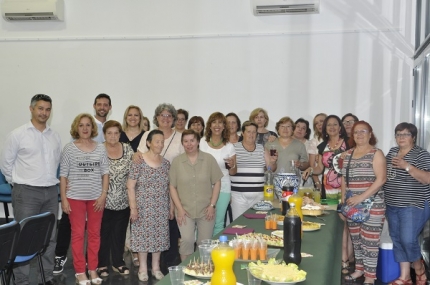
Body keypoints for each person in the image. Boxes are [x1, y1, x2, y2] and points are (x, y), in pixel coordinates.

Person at [0, 94, 61, 285]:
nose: (44, 112)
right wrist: (17, 183)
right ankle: (22, 281)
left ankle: (47, 277)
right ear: (31, 109)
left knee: (50, 238)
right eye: (40, 108)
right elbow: (5, 164)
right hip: (26, 193)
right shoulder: (18, 134)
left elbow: (56, 162)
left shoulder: (54, 136)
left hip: (51, 192)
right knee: (24, 238)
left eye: (48, 109)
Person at [54, 93, 112, 274]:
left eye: (88, 125)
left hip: (96, 199)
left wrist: (103, 195)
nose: (85, 128)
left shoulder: (101, 148)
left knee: (94, 235)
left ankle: (93, 269)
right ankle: (80, 272)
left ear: (93, 127)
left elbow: (105, 173)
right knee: (78, 235)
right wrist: (63, 199)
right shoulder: (69, 148)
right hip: (75, 199)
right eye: (81, 125)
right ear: (76, 128)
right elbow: (63, 176)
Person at [136, 103, 184, 269]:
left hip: (173, 186)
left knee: (170, 225)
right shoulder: (147, 134)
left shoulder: (180, 137)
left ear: (173, 119)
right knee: (148, 227)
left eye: (169, 116)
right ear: (156, 118)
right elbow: (139, 155)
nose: (165, 118)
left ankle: (170, 260)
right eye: (162, 115)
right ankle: (149, 263)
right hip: (149, 189)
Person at [303, 114, 352, 275]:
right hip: (328, 191)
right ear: (325, 129)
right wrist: (311, 170)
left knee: (345, 225)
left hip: (347, 189)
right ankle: (334, 259)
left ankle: (344, 260)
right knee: (332, 225)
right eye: (328, 125)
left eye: (335, 124)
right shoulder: (322, 145)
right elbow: (319, 168)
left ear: (340, 127)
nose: (331, 127)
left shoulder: (349, 143)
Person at [383, 122, 430, 285]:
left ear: (414, 137)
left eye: (405, 134)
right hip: (392, 204)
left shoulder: (421, 154)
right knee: (397, 239)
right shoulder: (392, 152)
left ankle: (419, 269)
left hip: (414, 204)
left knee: (408, 239)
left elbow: (427, 179)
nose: (401, 137)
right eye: (398, 134)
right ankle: (405, 277)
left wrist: (407, 166)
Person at [340, 121, 386, 285]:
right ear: (352, 135)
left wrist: (361, 198)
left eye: (363, 131)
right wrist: (343, 202)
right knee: (357, 240)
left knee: (370, 241)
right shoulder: (348, 154)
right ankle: (359, 269)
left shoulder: (376, 153)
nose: (359, 135)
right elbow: (344, 180)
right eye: (356, 132)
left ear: (370, 133)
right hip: (352, 205)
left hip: (373, 205)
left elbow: (381, 180)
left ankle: (370, 276)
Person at [169, 129, 223, 261]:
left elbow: (217, 182)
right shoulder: (177, 162)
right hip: (184, 211)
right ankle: (186, 270)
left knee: (204, 243)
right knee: (187, 240)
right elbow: (172, 186)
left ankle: (202, 270)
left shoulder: (209, 159)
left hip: (206, 210)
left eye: (192, 140)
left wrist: (212, 205)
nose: (189, 144)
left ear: (198, 142)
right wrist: (179, 209)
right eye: (185, 141)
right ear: (182, 143)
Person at [128, 130, 171, 281]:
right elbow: (131, 186)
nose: (160, 144)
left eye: (162, 141)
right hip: (142, 207)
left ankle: (156, 268)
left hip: (160, 207)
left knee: (158, 238)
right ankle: (142, 269)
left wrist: (170, 207)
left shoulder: (166, 164)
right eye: (157, 141)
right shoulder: (139, 161)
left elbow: (169, 187)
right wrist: (133, 208)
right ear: (148, 143)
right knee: (143, 239)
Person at [97, 120, 134, 277]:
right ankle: (102, 264)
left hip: (123, 200)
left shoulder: (127, 149)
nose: (113, 136)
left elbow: (134, 169)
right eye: (109, 133)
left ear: (120, 134)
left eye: (116, 133)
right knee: (103, 234)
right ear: (104, 134)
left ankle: (118, 262)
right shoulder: (98, 150)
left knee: (119, 234)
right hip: (102, 201)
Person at [230, 121, 277, 220]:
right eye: (248, 132)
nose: (251, 135)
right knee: (239, 225)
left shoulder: (262, 149)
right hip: (238, 196)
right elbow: (229, 170)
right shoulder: (233, 148)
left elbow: (271, 169)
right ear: (242, 133)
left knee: (257, 224)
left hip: (258, 196)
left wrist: (273, 162)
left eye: (254, 132)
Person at [200, 112, 237, 235]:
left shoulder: (229, 146)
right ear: (209, 126)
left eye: (220, 122)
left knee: (219, 222)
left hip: (224, 187)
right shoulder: (202, 143)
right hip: (204, 187)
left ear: (224, 126)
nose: (217, 125)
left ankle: (216, 252)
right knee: (203, 221)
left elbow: (233, 172)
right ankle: (200, 251)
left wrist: (233, 166)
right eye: (214, 122)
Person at [293, 118, 317, 187]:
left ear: (306, 132)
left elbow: (312, 163)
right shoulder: (286, 142)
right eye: (298, 126)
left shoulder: (311, 144)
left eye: (303, 128)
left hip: (306, 178)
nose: (300, 129)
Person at [309, 113, 327, 189]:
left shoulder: (338, 140)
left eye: (321, 121)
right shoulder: (314, 142)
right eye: (316, 123)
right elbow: (312, 166)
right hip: (320, 180)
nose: (319, 124)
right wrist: (317, 183)